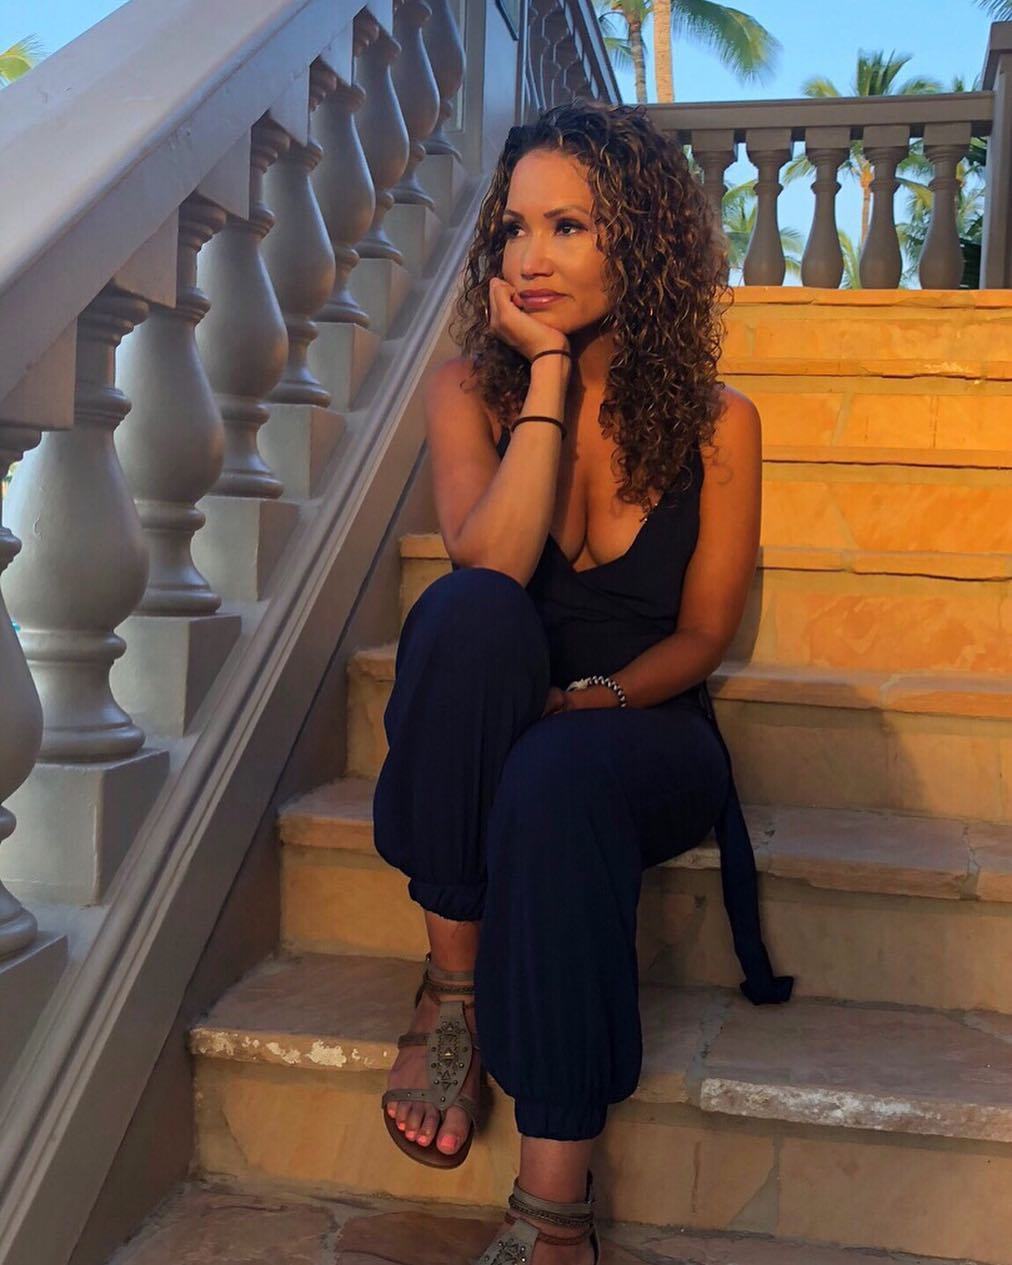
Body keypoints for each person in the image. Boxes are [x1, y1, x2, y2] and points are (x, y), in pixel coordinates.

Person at [372, 99, 793, 1265]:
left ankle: (554, 1210)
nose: (531, 256)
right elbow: (495, 563)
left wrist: (595, 699)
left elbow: (701, 632)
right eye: (514, 228)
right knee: (465, 612)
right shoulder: (470, 389)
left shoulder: (719, 421)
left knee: (555, 771)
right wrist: (548, 372)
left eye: (568, 226)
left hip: (640, 725)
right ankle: (455, 992)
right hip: (503, 710)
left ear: (641, 242)